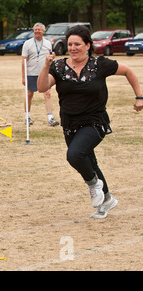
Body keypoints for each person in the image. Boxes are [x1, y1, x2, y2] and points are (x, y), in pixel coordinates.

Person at [38, 25, 143, 218]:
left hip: (95, 122)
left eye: (77, 44)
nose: (73, 47)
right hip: (70, 124)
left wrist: (139, 97)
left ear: (88, 45)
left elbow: (128, 71)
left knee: (75, 155)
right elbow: (42, 87)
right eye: (70, 44)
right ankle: (107, 199)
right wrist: (46, 65)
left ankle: (94, 184)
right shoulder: (59, 67)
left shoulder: (99, 65)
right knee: (89, 161)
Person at [22, 23, 59, 126]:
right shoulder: (27, 44)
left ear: (43, 31)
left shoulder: (47, 43)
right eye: (35, 30)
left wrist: (53, 56)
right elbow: (24, 60)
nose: (37, 31)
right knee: (29, 94)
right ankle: (27, 116)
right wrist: (24, 76)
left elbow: (50, 56)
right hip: (31, 73)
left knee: (47, 94)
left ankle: (50, 118)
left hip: (43, 74)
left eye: (39, 30)